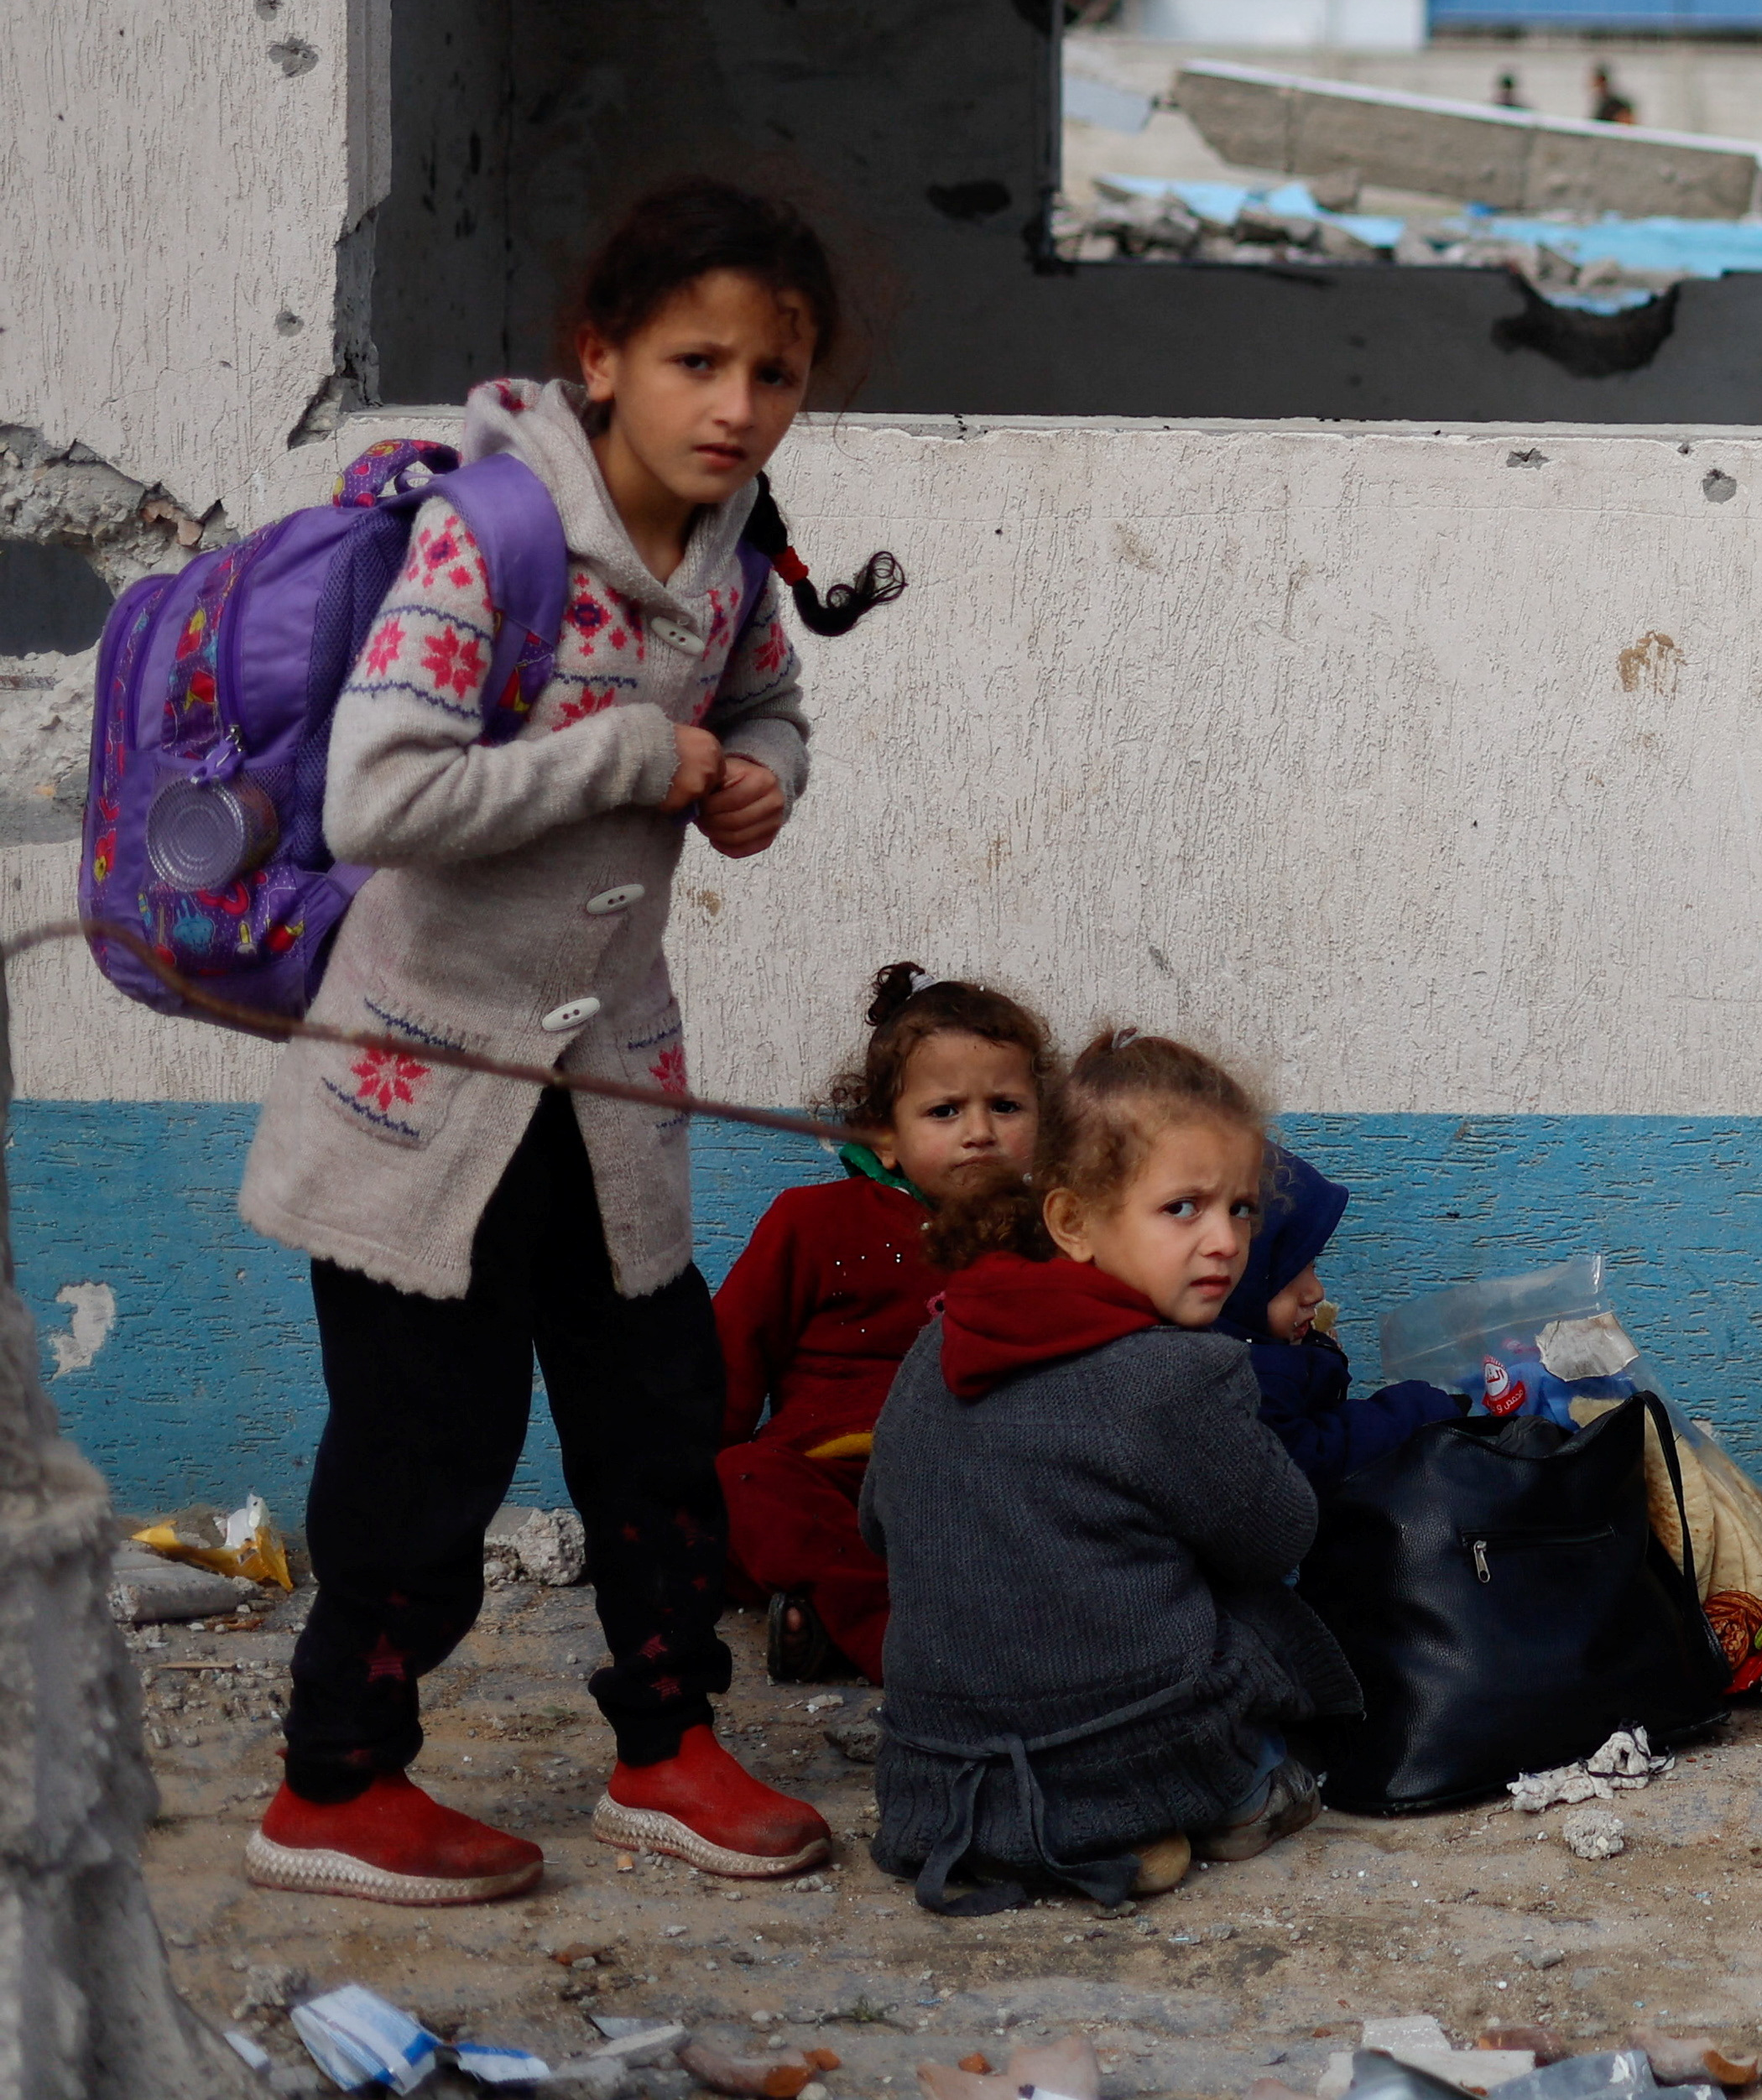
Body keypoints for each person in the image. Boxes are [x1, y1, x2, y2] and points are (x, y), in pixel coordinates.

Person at [237, 177, 861, 1904]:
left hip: (607, 1084)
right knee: (423, 1456)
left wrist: (759, 780)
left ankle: (664, 1750)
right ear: (600, 358)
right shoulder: (494, 538)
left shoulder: (737, 545)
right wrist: (622, 758)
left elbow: (766, 702)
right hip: (423, 1088)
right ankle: (333, 1787)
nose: (736, 407)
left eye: (775, 375)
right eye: (695, 362)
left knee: (659, 1422)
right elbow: (381, 793)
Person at [861, 1031, 1358, 1914]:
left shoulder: (941, 1337)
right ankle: (1222, 1802)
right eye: (1183, 1208)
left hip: (938, 1770)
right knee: (1265, 1608)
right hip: (1126, 1747)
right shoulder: (1179, 1375)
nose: (1223, 1242)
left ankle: (1095, 1837)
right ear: (1074, 1222)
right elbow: (1281, 1531)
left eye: (1241, 1209)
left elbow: (876, 1520)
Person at [712, 964, 1056, 1682]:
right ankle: (895, 1637)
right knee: (737, 1480)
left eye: (1006, 1106)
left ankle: (828, 1619)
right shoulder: (813, 1223)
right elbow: (729, 1359)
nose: (980, 1133)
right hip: (836, 1479)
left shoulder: (1055, 1238)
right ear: (885, 1135)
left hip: (974, 1484)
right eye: (944, 1111)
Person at [1215, 1140, 1467, 1484]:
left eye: (1314, 1266)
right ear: (1243, 1278)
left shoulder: (1261, 1353)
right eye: (1293, 1271)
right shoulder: (1246, 1381)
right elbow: (1311, 1461)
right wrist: (1417, 1409)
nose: (1316, 1292)